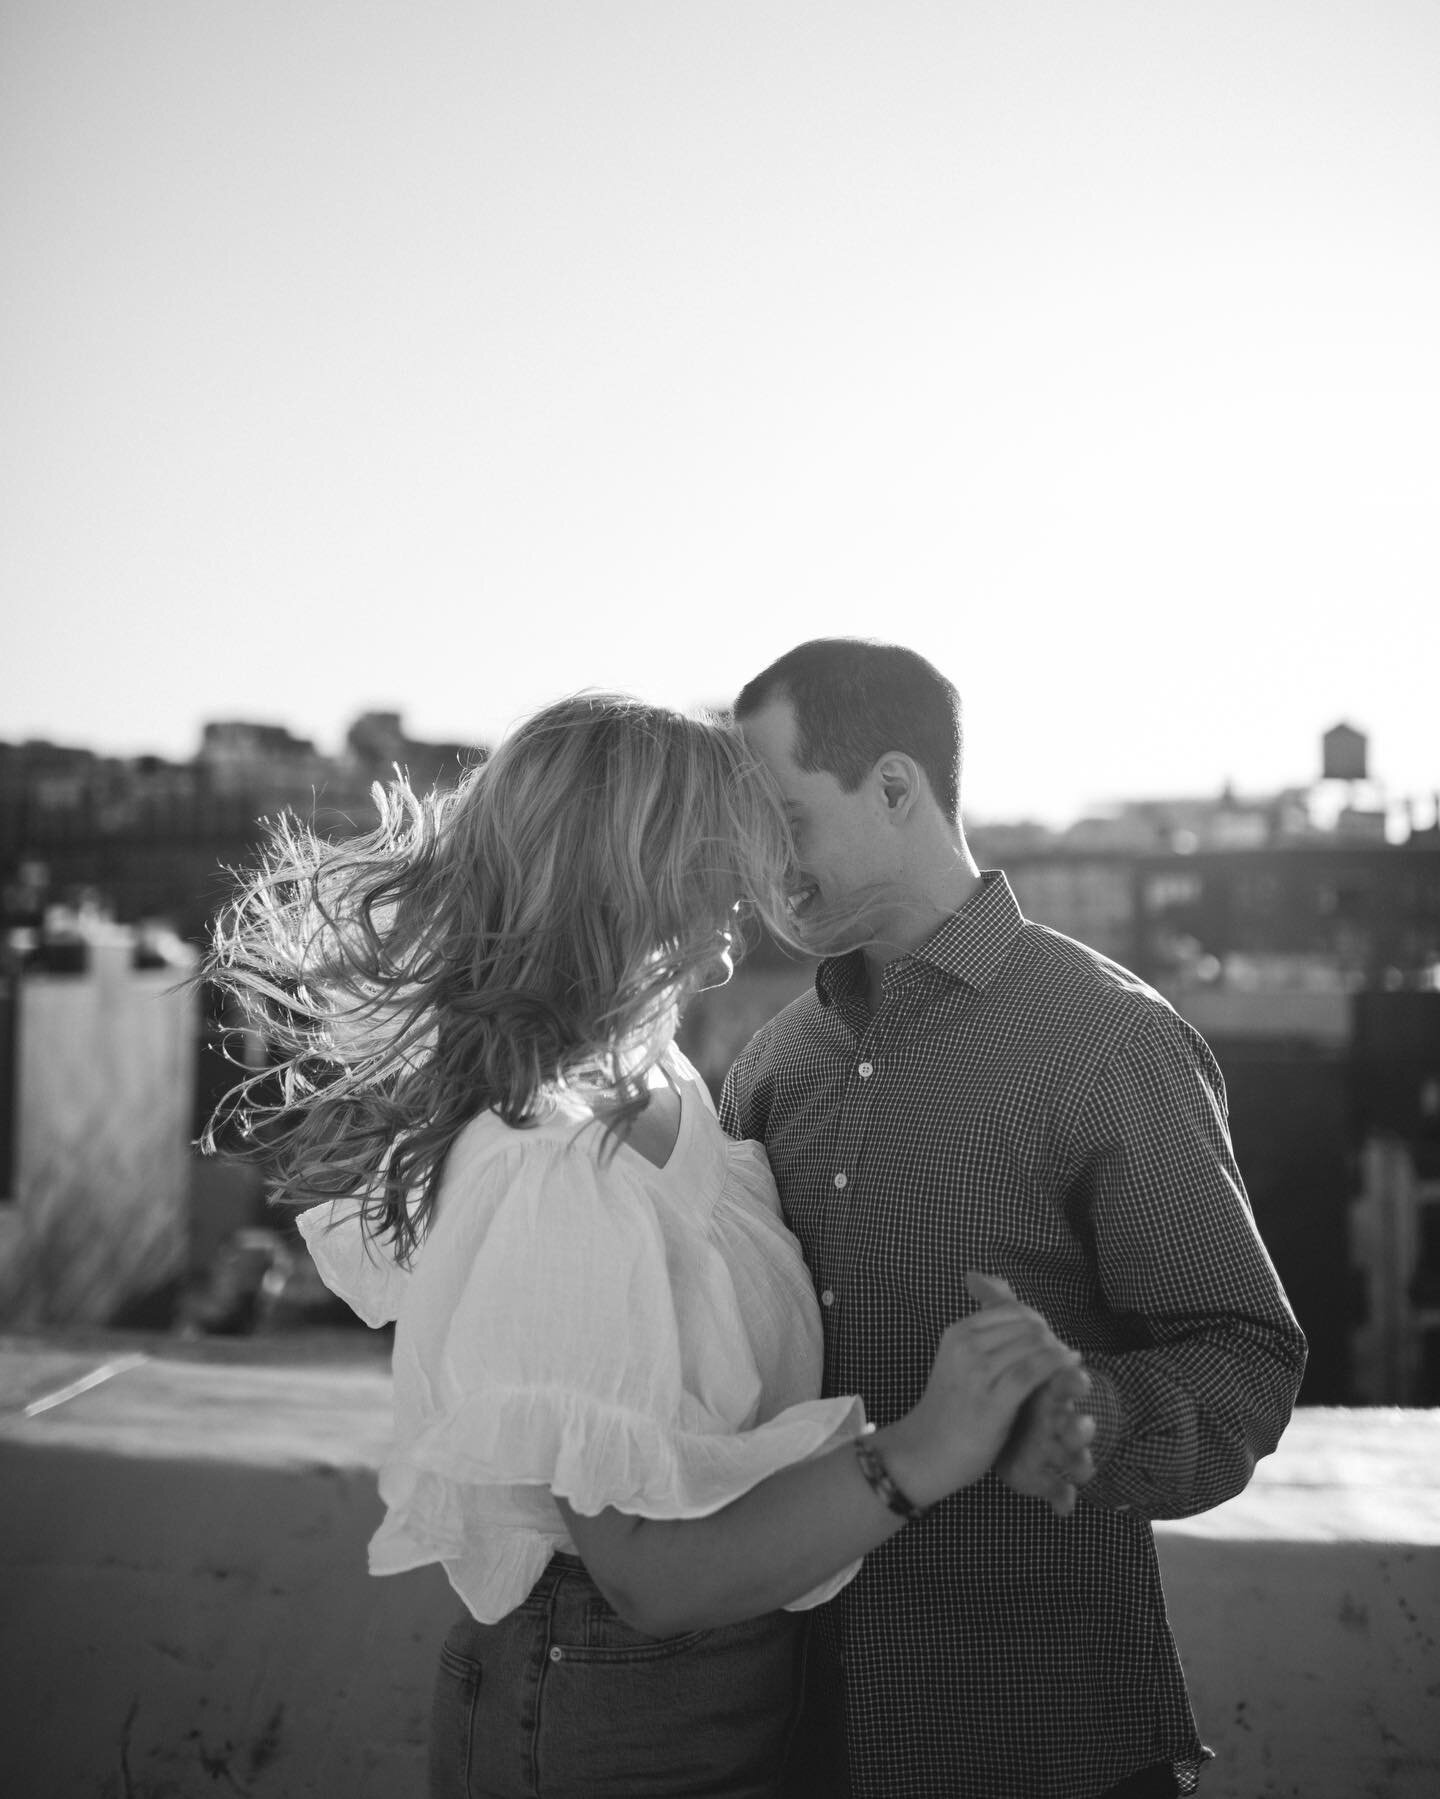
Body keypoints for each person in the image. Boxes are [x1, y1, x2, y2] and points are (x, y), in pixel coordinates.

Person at [200, 692, 1094, 1799]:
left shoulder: (661, 1081)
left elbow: (712, 1435)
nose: (752, 877)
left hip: (722, 1688)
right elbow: (651, 1573)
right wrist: (925, 1450)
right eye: (722, 842)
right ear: (632, 869)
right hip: (613, 1714)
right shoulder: (554, 1169)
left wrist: (985, 1412)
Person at [721, 639, 1309, 1799]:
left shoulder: (1109, 1039)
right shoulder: (773, 1061)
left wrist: (1082, 1410)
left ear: (895, 787)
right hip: (794, 1736)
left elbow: (1248, 1356)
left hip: (1040, 1741)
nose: (760, 865)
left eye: (783, 816)